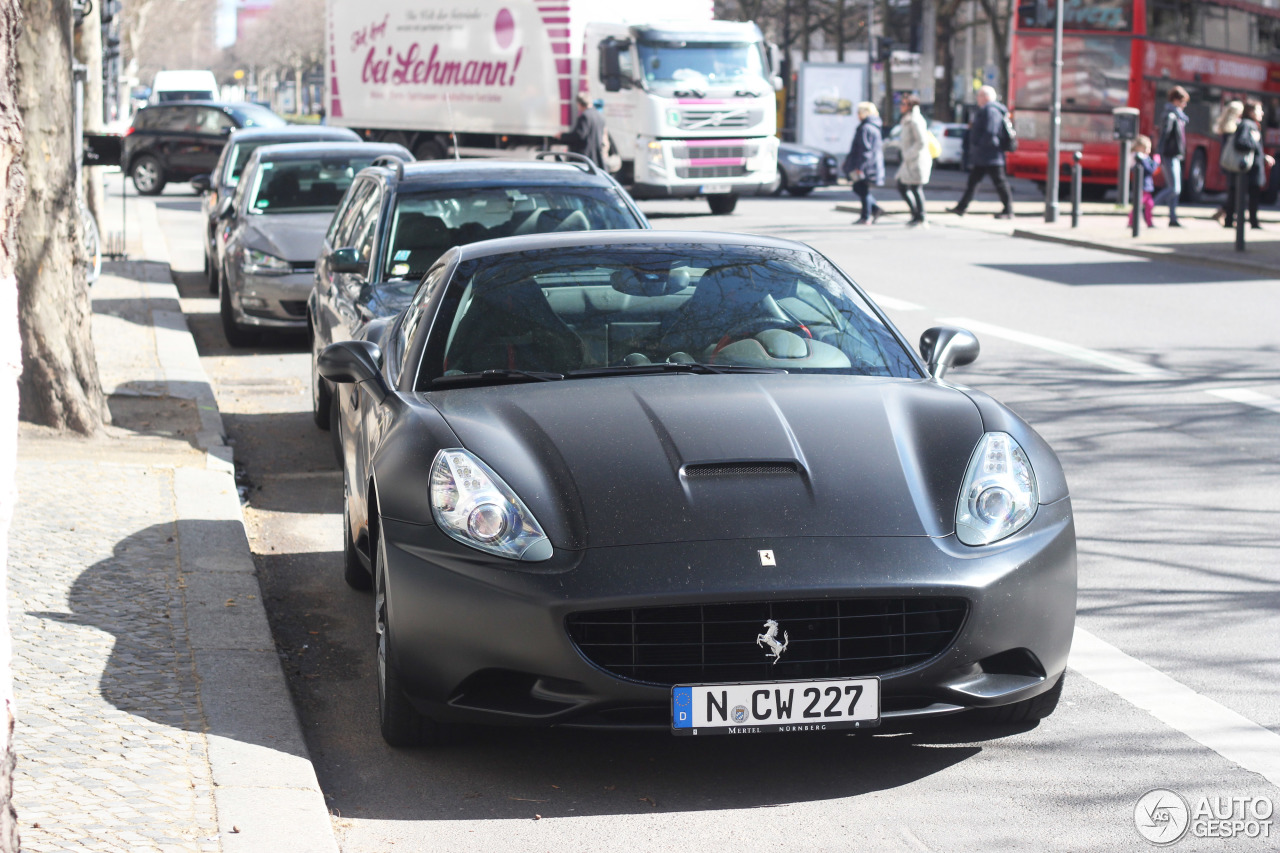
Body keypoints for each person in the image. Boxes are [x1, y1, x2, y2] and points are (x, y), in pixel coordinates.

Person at [947, 86, 1014, 219]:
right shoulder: (987, 110)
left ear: (986, 97)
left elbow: (990, 131)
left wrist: (978, 144)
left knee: (999, 182)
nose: (977, 98)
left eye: (979, 95)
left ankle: (1008, 210)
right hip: (986, 155)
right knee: (973, 182)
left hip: (990, 154)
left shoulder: (991, 110)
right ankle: (961, 207)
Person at [1225, 100, 1276, 230]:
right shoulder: (1247, 125)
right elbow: (1241, 143)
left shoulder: (1249, 124)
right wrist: (1255, 141)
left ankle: (1234, 220)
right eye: (1259, 110)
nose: (1262, 113)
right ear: (1251, 112)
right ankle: (1249, 222)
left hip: (1249, 167)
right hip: (1248, 169)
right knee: (1246, 195)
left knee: (1238, 194)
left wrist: (1263, 157)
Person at [843, 102, 885, 225]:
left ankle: (866, 216)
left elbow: (864, 150)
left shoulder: (866, 128)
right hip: (870, 164)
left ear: (864, 113)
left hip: (865, 165)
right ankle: (874, 210)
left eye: (858, 112)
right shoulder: (873, 126)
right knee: (860, 188)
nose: (857, 115)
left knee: (861, 188)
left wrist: (859, 167)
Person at [1153, 86, 1189, 227]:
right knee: (1175, 188)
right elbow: (1164, 135)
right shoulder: (1170, 115)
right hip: (1169, 155)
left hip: (1175, 155)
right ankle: (1148, 207)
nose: (1185, 105)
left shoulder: (1178, 116)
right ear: (1175, 100)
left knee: (1174, 187)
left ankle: (1173, 218)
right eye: (1183, 101)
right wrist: (1159, 153)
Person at [895, 94, 932, 227]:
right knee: (904, 185)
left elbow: (921, 141)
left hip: (916, 160)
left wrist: (909, 154)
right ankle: (917, 214)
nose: (901, 106)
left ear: (910, 106)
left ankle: (920, 215)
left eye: (904, 104)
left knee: (914, 187)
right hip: (909, 160)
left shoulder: (915, 120)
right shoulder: (907, 119)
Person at [1212, 101, 1244, 225]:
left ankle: (1225, 214)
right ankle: (1227, 216)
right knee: (1234, 191)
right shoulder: (1234, 127)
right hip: (1234, 162)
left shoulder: (1224, 125)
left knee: (1232, 190)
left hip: (1227, 161)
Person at [561, 92, 607, 169]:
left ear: (579, 104)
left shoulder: (585, 116)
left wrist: (562, 136)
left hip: (585, 156)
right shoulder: (599, 115)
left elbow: (579, 135)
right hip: (596, 155)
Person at [1128, 134, 1157, 228]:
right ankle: (1131, 222)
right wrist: (1156, 162)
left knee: (1149, 205)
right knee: (1138, 204)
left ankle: (1149, 222)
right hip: (1141, 185)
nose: (1148, 151)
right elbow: (1149, 169)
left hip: (1147, 185)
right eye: (1147, 148)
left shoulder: (1144, 157)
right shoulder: (1139, 157)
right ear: (1139, 147)